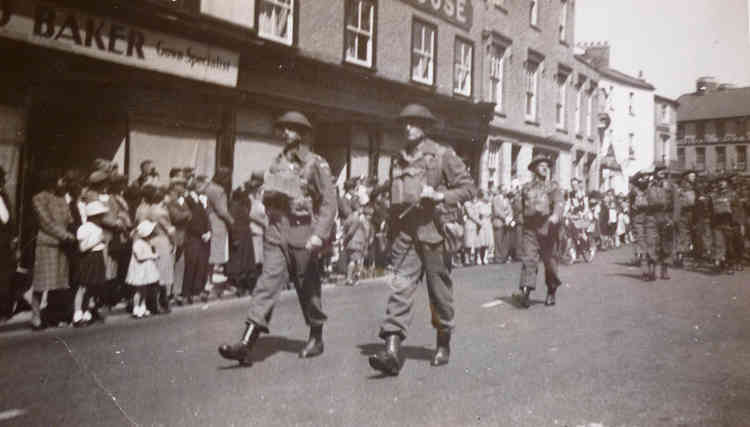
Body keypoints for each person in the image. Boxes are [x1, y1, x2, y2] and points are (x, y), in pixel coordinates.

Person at [218, 110, 337, 364]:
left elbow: (329, 202)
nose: (285, 132)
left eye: (291, 128)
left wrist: (319, 235)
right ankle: (246, 343)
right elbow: (269, 191)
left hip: (303, 231)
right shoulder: (276, 162)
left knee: (309, 289)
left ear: (302, 134)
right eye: (283, 128)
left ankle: (316, 335)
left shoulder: (316, 163)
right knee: (267, 283)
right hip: (276, 230)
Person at [368, 104, 475, 376]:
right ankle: (392, 350)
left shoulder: (442, 155)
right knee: (400, 289)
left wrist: (440, 196)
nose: (408, 127)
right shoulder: (399, 158)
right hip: (406, 234)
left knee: (439, 294)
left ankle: (443, 342)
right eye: (405, 123)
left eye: (414, 123)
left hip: (434, 233)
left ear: (425, 127)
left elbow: (468, 188)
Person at [517, 155, 564, 308]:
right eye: (541, 165)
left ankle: (551, 290)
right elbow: (519, 205)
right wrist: (518, 217)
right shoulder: (526, 187)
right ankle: (526, 291)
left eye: (547, 165)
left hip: (548, 228)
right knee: (529, 260)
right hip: (530, 229)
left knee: (550, 263)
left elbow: (559, 202)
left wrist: (556, 216)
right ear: (534, 169)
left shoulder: (553, 187)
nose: (545, 168)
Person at [31, 169, 75, 330]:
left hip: (62, 246)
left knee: (59, 283)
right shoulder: (38, 198)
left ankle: (52, 315)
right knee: (42, 283)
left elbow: (70, 219)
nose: (62, 183)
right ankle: (35, 315)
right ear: (51, 181)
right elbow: (45, 222)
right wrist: (65, 235)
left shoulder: (61, 199)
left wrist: (71, 231)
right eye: (60, 180)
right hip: (47, 245)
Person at [135, 185, 175, 313]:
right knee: (161, 273)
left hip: (151, 241)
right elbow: (170, 230)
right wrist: (174, 242)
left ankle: (157, 302)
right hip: (162, 241)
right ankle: (158, 303)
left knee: (154, 272)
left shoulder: (147, 209)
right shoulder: (161, 212)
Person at [73, 201, 109, 327]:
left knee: (92, 286)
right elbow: (82, 248)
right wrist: (98, 239)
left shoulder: (98, 228)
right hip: (88, 258)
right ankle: (77, 314)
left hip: (97, 257)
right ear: (92, 216)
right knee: (83, 287)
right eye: (99, 216)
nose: (101, 219)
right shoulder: (84, 228)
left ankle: (87, 312)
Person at [643, 164, 676, 281]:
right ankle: (652, 270)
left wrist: (673, 219)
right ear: (655, 173)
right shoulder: (648, 185)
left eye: (664, 171)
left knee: (665, 244)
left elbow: (675, 203)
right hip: (651, 217)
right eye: (659, 171)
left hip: (665, 216)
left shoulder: (670, 186)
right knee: (651, 242)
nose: (662, 173)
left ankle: (664, 269)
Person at [206, 167, 235, 297]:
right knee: (217, 255)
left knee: (211, 254)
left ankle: (208, 282)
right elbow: (222, 210)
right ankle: (213, 285)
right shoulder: (219, 190)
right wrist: (232, 221)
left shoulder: (208, 187)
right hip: (218, 223)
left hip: (209, 219)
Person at [182, 176, 211, 304]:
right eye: (203, 186)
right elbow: (192, 221)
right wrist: (202, 233)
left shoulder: (199, 200)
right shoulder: (188, 200)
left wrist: (208, 231)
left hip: (202, 236)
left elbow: (205, 218)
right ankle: (187, 292)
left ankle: (196, 290)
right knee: (191, 264)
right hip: (194, 237)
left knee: (200, 264)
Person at [226, 185, 256, 296]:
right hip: (240, 237)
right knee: (241, 265)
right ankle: (241, 287)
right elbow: (232, 224)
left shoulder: (242, 206)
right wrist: (234, 238)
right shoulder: (235, 207)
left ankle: (247, 287)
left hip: (245, 235)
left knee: (246, 264)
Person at [127, 220, 160, 318]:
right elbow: (140, 257)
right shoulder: (137, 244)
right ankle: (136, 308)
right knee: (138, 290)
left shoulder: (147, 243)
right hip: (139, 270)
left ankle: (143, 307)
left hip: (146, 270)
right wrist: (153, 256)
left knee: (144, 289)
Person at [166, 178, 192, 304]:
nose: (183, 187)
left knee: (179, 265)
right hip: (173, 237)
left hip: (182, 236)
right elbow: (176, 217)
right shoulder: (170, 201)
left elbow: (188, 215)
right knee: (171, 264)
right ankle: (169, 292)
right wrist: (186, 214)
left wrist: (186, 214)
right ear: (175, 186)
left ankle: (176, 291)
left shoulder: (182, 201)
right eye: (181, 185)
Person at [711, 174, 735, 274]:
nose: (721, 183)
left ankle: (729, 265)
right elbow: (711, 209)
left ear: (727, 183)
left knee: (729, 245)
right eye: (719, 181)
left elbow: (736, 208)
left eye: (723, 181)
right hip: (717, 222)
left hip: (729, 222)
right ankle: (719, 263)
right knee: (719, 243)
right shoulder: (714, 195)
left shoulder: (732, 194)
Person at [674, 169, 697, 268]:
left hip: (689, 214)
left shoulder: (691, 187)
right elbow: (688, 202)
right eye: (692, 176)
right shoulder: (684, 188)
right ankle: (680, 257)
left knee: (685, 236)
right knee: (684, 235)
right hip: (684, 214)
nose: (694, 178)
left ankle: (681, 256)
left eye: (694, 176)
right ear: (686, 177)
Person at [491, 187, 513, 263]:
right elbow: (497, 211)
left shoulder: (506, 199)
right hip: (499, 221)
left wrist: (510, 217)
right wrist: (505, 217)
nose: (506, 192)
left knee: (505, 240)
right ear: (501, 191)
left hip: (506, 223)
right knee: (498, 240)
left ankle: (504, 256)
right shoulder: (495, 199)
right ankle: (498, 257)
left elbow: (510, 209)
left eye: (506, 190)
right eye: (505, 190)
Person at [475, 190, 493, 265]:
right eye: (485, 195)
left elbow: (491, 214)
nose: (487, 197)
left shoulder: (489, 205)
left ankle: (485, 257)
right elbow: (476, 215)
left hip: (488, 223)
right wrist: (479, 222)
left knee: (487, 241)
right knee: (481, 240)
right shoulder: (478, 205)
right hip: (481, 223)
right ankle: (478, 257)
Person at [462, 196, 479, 265]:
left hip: (474, 225)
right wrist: (479, 222)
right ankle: (466, 259)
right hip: (469, 225)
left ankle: (471, 259)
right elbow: (471, 215)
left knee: (472, 243)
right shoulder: (467, 204)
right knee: (468, 244)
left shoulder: (474, 204)